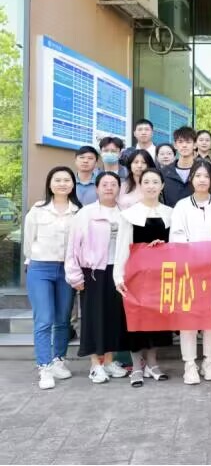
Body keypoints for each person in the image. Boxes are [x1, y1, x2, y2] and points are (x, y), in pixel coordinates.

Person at [64, 172, 129, 384]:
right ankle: (95, 364)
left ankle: (109, 361)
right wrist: (74, 276)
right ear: (97, 188)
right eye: (104, 184)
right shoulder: (86, 214)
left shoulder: (125, 212)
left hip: (118, 271)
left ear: (119, 188)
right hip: (93, 272)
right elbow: (73, 247)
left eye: (113, 184)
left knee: (114, 317)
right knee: (93, 318)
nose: (109, 188)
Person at [113, 168, 174, 388]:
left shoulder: (170, 213)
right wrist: (118, 276)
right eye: (146, 182)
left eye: (155, 182)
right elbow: (122, 247)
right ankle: (137, 367)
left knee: (157, 320)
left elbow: (177, 245)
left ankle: (153, 364)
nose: (151, 186)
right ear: (141, 185)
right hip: (136, 276)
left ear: (162, 186)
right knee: (136, 320)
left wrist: (163, 246)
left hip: (161, 276)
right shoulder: (130, 214)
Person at [169, 161, 211, 385]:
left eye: (206, 176)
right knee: (189, 318)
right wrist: (192, 260)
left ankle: (209, 361)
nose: (202, 180)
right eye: (198, 175)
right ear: (191, 179)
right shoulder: (182, 206)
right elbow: (177, 237)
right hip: (189, 270)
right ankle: (189, 364)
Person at [25, 167, 81, 389]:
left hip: (66, 270)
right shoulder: (38, 210)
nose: (62, 183)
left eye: (67, 180)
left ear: (73, 184)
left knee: (63, 319)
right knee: (44, 319)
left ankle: (58, 360)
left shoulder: (77, 211)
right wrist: (34, 260)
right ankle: (44, 367)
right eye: (57, 180)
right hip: (40, 268)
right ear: (50, 184)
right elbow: (29, 242)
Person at [161, 126, 197, 207]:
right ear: (175, 145)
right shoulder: (164, 172)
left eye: (188, 142)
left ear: (195, 145)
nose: (184, 145)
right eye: (180, 142)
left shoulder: (202, 170)